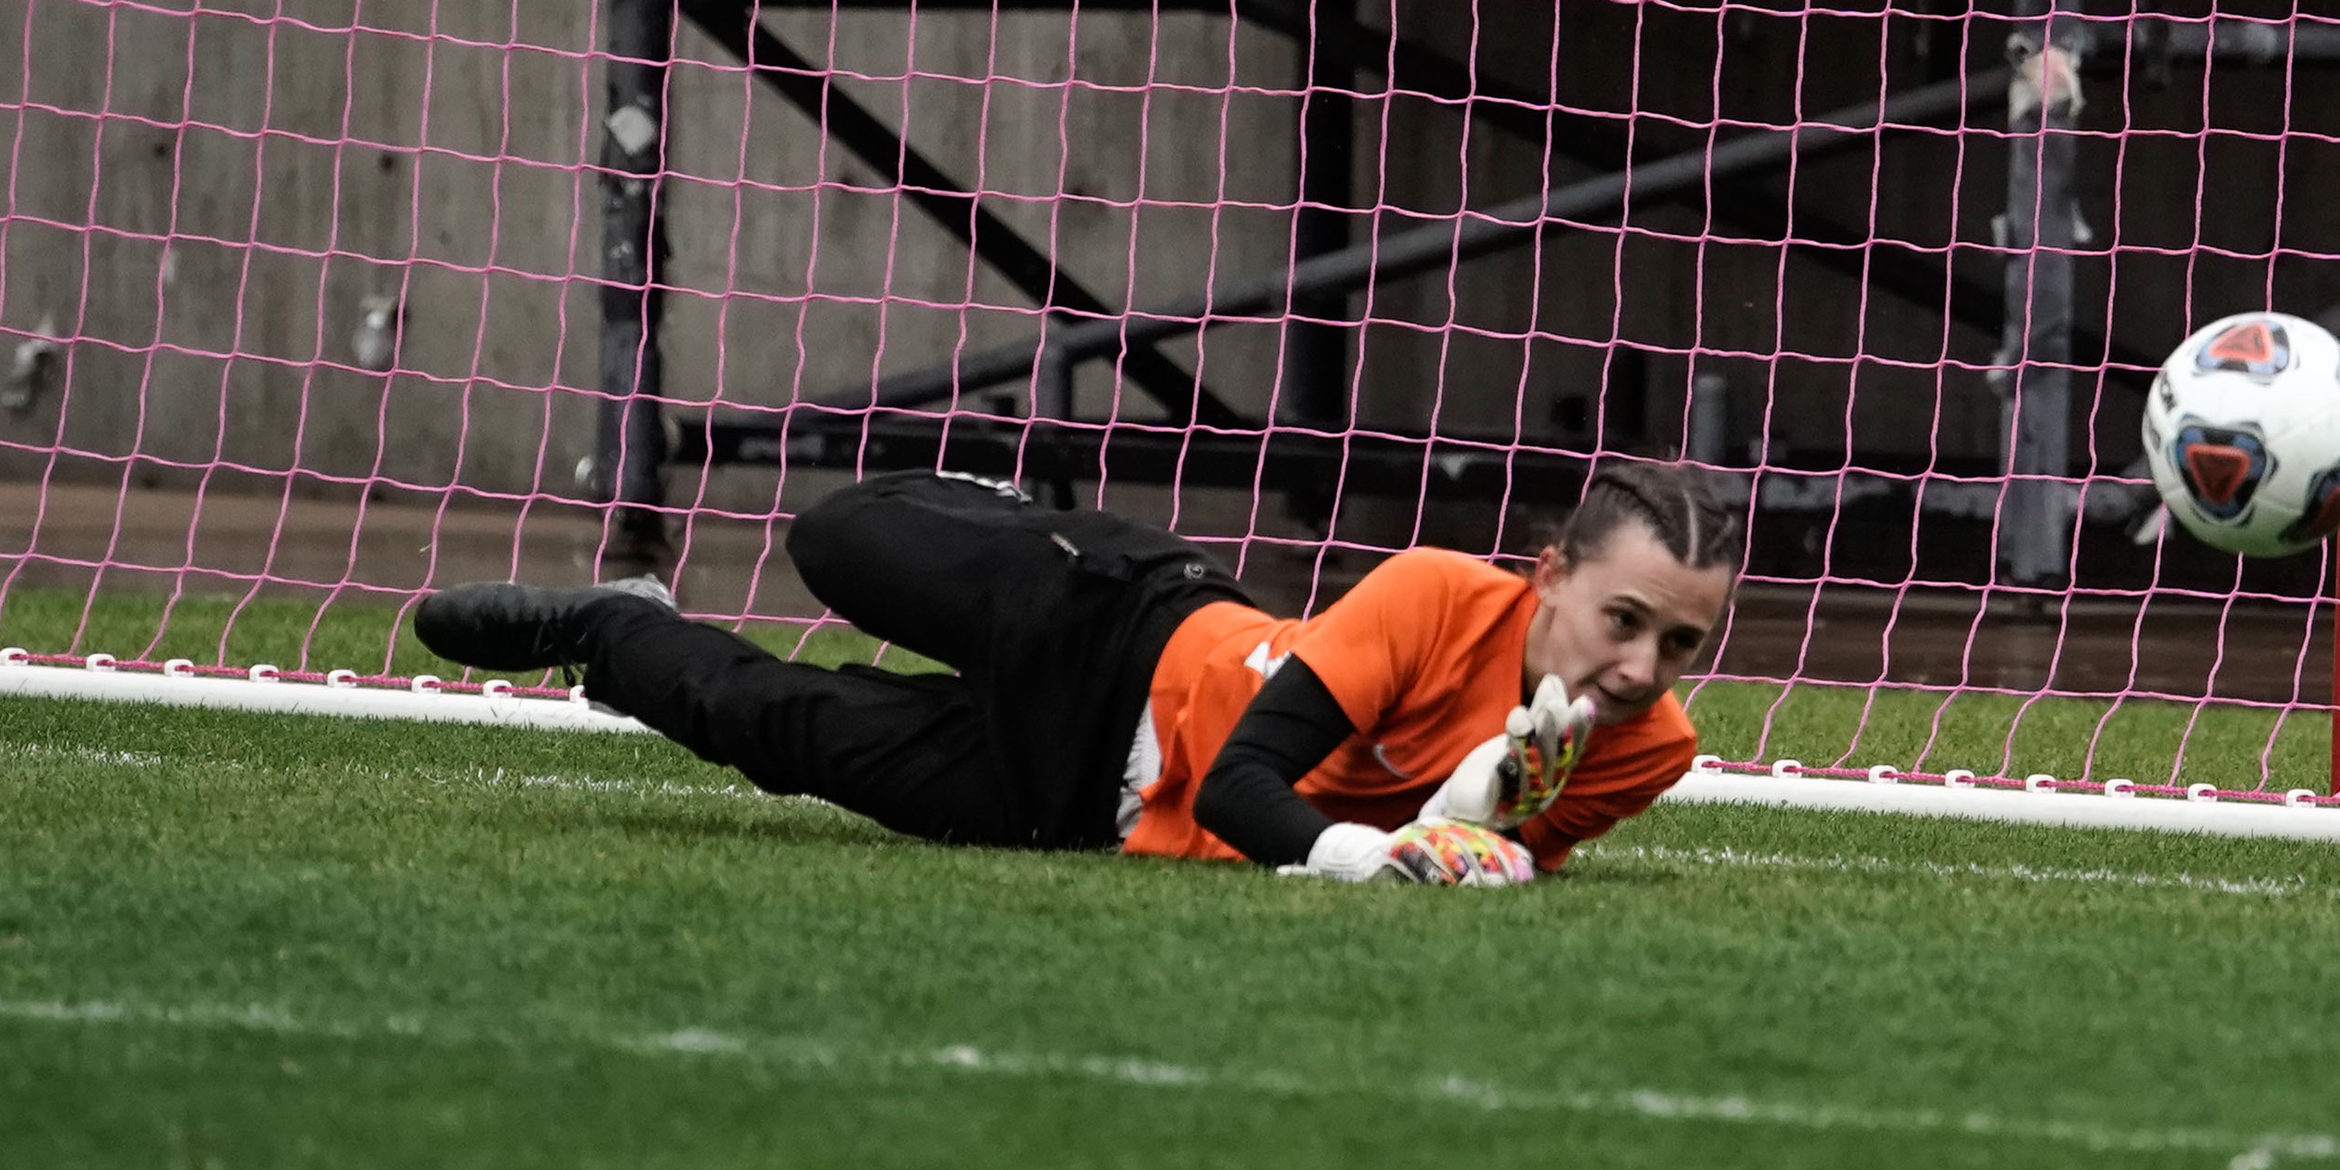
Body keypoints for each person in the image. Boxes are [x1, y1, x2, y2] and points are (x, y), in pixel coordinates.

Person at [412, 463, 1739, 884]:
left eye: (1680, 643)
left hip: (1075, 806)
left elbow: (1472, 861)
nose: (1641, 666)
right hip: (1108, 627)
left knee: (760, 718)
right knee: (834, 538)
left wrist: (1466, 833)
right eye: (1624, 618)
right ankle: (1010, 502)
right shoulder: (1436, 592)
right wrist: (1375, 856)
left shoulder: (1653, 751)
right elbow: (1247, 790)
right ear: (1550, 571)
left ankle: (609, 625)